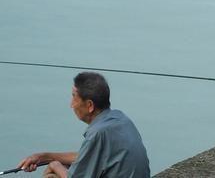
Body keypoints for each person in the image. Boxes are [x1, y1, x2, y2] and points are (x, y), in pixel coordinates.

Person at [17, 72, 150, 178]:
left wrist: (55, 165)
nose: (71, 105)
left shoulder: (98, 133)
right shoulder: (121, 119)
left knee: (53, 176)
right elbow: (87, 157)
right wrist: (43, 157)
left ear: (89, 105)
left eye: (74, 97)